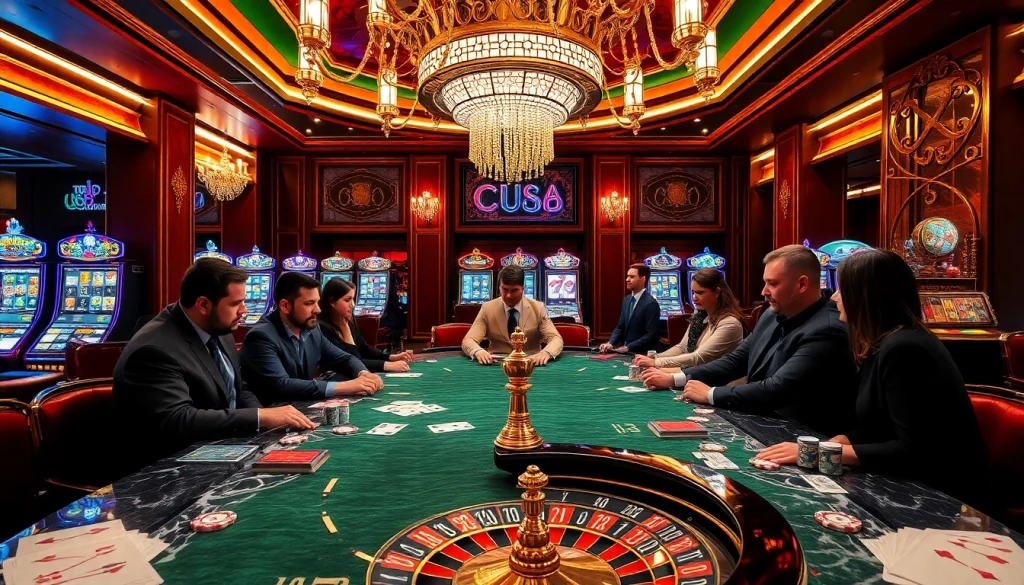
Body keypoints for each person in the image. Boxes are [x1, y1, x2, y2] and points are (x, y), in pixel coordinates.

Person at [757, 250, 987, 502]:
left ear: (866, 297)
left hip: (944, 496)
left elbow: (914, 451)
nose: (834, 298)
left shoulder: (905, 348)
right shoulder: (884, 342)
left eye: (842, 290)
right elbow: (878, 426)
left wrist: (822, 450)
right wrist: (841, 440)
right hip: (907, 482)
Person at [113, 258, 316, 467]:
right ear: (203, 305)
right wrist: (260, 417)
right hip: (169, 470)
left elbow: (240, 388)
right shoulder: (154, 350)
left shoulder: (218, 327)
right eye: (236, 303)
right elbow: (177, 420)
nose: (244, 310)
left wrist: (264, 422)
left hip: (222, 449)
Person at [640, 244, 857, 435]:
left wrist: (710, 394)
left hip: (801, 436)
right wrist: (676, 379)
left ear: (801, 284)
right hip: (760, 421)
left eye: (772, 283)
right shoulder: (772, 315)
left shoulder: (827, 329)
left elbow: (777, 389)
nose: (764, 291)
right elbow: (736, 361)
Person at [240, 272, 383, 404]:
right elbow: (282, 385)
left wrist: (363, 373)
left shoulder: (312, 329)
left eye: (317, 302)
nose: (318, 309)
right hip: (273, 415)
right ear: (285, 306)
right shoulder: (261, 336)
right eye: (309, 303)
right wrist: (344, 387)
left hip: (301, 408)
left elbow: (345, 358)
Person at [632, 268, 744, 372]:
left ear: (717, 292)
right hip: (698, 376)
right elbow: (682, 348)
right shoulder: (700, 316)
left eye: (700, 293)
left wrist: (656, 362)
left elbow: (698, 358)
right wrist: (654, 357)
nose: (694, 298)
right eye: (693, 292)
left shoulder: (729, 323)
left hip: (722, 385)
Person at [462, 265, 563, 366]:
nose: (508, 296)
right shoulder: (487, 308)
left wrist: (546, 353)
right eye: (504, 289)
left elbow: (556, 338)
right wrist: (478, 351)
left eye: (514, 290)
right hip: (497, 362)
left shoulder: (538, 307)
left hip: (530, 362)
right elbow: (469, 340)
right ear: (499, 287)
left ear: (523, 289)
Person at [317, 277, 414, 373]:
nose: (353, 305)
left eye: (353, 299)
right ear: (332, 302)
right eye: (347, 300)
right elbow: (350, 363)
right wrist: (386, 365)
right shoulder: (322, 328)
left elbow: (364, 349)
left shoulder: (345, 321)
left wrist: (391, 357)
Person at [599, 263, 661, 355]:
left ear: (642, 279)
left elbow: (652, 334)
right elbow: (620, 327)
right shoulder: (627, 299)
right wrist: (610, 343)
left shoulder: (651, 303)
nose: (627, 279)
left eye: (632, 277)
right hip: (626, 351)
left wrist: (629, 347)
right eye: (627, 276)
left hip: (642, 353)